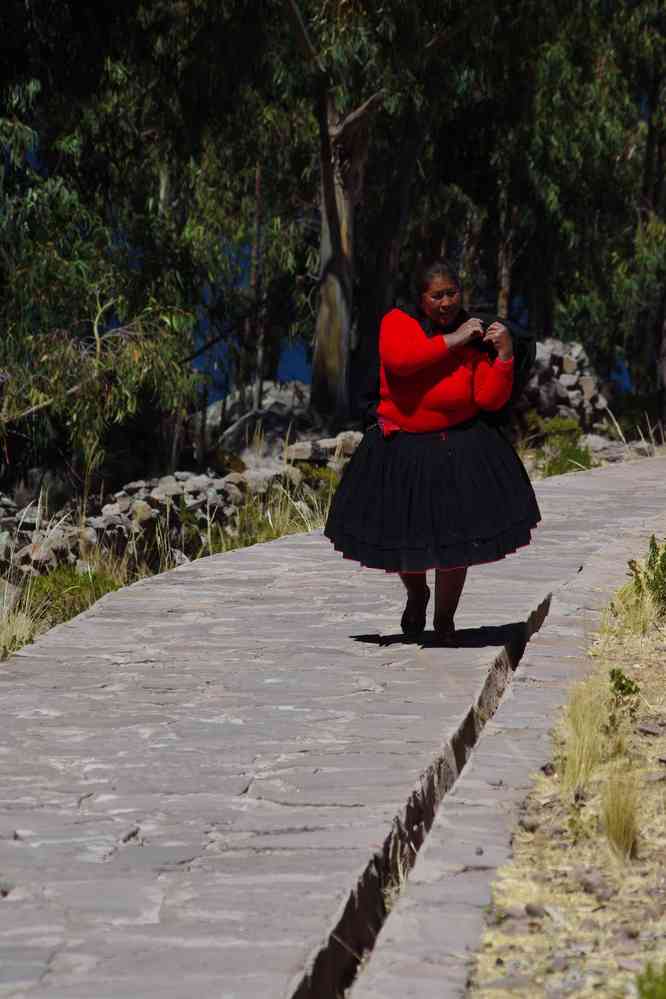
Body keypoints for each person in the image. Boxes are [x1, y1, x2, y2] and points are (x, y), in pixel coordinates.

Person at [324, 258, 541, 639]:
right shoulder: (398, 323)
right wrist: (454, 340)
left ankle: (444, 620)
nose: (446, 303)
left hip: (458, 447)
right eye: (436, 295)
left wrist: (504, 355)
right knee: (406, 537)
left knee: (457, 542)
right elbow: (402, 362)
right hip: (402, 449)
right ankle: (417, 593)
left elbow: (488, 399)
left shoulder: (476, 334)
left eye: (452, 293)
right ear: (420, 298)